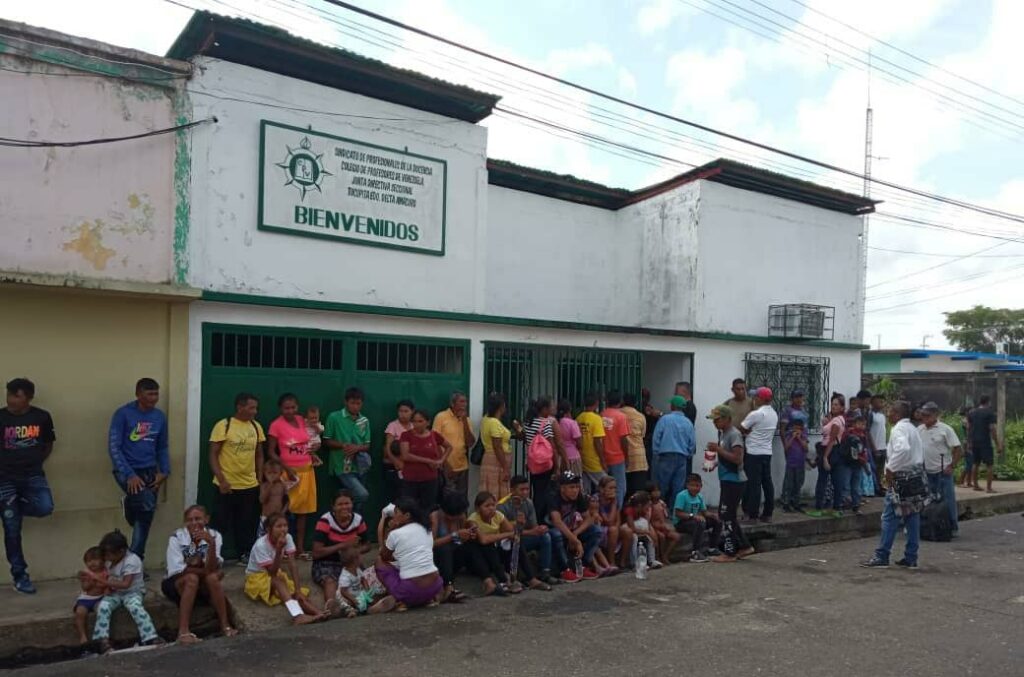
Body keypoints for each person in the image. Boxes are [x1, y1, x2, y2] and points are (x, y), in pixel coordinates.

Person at [0, 378, 55, 594]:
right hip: (4, 478)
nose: (11, 400)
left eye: (17, 396)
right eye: (9, 395)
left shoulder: (42, 417)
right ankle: (20, 576)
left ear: (29, 398)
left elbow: (48, 443)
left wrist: (36, 461)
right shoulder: (1, 417)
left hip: (33, 475)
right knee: (12, 528)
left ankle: (11, 508)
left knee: (45, 507)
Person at [108, 377, 169, 563]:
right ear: (138, 394)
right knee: (147, 507)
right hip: (127, 471)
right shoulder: (123, 414)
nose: (154, 398)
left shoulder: (159, 417)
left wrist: (164, 471)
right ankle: (136, 561)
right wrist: (130, 475)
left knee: (145, 516)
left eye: (156, 394)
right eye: (149, 394)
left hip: (150, 470)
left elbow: (162, 447)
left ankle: (133, 563)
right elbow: (114, 447)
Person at [861, 401, 926, 569]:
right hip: (915, 476)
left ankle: (882, 555)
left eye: (890, 411)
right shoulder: (912, 428)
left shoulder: (899, 429)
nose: (887, 414)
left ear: (897, 414)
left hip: (901, 478)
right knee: (912, 516)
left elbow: (903, 449)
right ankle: (911, 556)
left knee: (889, 517)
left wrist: (890, 468)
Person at [162, 505, 236, 643]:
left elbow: (212, 567)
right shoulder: (177, 537)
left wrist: (211, 544)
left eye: (198, 519)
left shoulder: (214, 535)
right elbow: (179, 570)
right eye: (190, 520)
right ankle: (183, 631)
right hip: (176, 582)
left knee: (212, 578)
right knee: (193, 578)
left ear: (206, 519)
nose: (194, 523)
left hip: (202, 581)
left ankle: (225, 625)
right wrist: (207, 570)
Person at [209, 392, 265, 564]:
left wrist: (259, 479)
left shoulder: (256, 426)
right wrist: (222, 480)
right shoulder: (224, 425)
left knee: (247, 523)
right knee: (220, 522)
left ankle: (245, 554)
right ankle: (214, 556)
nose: (255, 411)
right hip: (226, 485)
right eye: (251, 408)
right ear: (240, 407)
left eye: (256, 408)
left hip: (249, 485)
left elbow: (259, 454)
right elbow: (213, 454)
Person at [244, 512, 323, 624]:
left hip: (274, 574)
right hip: (256, 578)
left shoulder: (288, 537)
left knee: (295, 593)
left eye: (285, 525)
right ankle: (297, 616)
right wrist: (278, 550)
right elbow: (272, 572)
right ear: (269, 529)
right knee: (278, 580)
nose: (283, 529)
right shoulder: (261, 545)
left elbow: (292, 564)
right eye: (279, 526)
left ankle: (318, 613)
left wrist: (298, 590)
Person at [91, 531, 162, 653]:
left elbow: (126, 584)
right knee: (103, 606)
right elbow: (109, 576)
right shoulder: (108, 561)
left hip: (132, 592)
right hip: (115, 593)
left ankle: (150, 636)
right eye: (106, 554)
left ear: (121, 551)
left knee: (135, 607)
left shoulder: (132, 560)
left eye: (109, 554)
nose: (107, 557)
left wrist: (103, 582)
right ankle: (102, 639)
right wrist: (106, 587)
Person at [267, 393, 318, 557]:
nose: (290, 411)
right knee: (283, 512)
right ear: (280, 409)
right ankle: (279, 548)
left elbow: (313, 438)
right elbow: (271, 452)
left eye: (293, 407)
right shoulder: (276, 425)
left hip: (307, 471)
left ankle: (299, 548)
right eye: (286, 408)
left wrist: (314, 448)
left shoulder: (303, 421)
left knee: (303, 513)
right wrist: (286, 468)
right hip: (288, 475)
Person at [376, 497, 444, 610]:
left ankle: (401, 599)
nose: (393, 516)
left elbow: (384, 556)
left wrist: (390, 530)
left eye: (396, 512)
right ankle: (427, 599)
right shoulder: (426, 529)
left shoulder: (395, 534)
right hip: (435, 586)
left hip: (410, 589)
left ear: (407, 515)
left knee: (379, 561)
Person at [706, 405, 754, 563]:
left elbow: (738, 459)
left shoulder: (734, 434)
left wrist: (718, 450)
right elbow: (728, 457)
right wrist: (715, 463)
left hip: (734, 480)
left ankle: (730, 552)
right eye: (714, 420)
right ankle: (744, 546)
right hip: (727, 478)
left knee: (726, 515)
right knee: (729, 515)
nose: (715, 423)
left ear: (727, 419)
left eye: (717, 420)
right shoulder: (723, 434)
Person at [498, 475, 559, 586]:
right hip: (508, 541)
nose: (525, 492)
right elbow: (505, 533)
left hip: (524, 536)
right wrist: (530, 531)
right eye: (522, 490)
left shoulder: (528, 503)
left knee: (546, 535)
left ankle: (545, 572)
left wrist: (540, 529)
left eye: (527, 489)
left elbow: (533, 526)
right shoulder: (502, 506)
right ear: (512, 490)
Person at [311, 491, 368, 605]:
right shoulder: (325, 520)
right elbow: (316, 553)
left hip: (350, 562)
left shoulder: (358, 520)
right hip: (327, 562)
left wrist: (354, 552)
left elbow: (367, 545)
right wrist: (344, 545)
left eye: (347, 503)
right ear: (333, 507)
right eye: (340, 504)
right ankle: (332, 607)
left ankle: (367, 603)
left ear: (352, 504)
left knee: (364, 579)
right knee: (330, 581)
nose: (344, 507)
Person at [547, 472, 602, 582]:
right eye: (571, 487)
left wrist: (575, 533)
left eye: (577, 487)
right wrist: (575, 540)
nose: (575, 490)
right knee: (556, 534)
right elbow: (557, 522)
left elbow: (588, 519)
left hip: (571, 530)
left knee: (596, 531)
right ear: (562, 488)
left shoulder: (578, 496)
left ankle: (583, 565)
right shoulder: (553, 498)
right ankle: (565, 569)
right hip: (553, 530)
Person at [323, 387, 371, 512]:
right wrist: (344, 445)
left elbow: (367, 445)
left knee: (356, 503)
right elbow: (327, 440)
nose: (355, 407)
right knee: (361, 494)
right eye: (352, 403)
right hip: (341, 465)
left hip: (361, 466)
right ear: (346, 402)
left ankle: (352, 521)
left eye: (358, 403)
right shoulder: (334, 417)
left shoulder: (364, 420)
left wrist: (356, 448)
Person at [918, 402, 962, 536]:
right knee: (927, 500)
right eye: (923, 415)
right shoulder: (919, 430)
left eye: (928, 415)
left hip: (942, 471)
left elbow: (957, 448)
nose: (924, 418)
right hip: (926, 471)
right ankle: (930, 525)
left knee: (948, 499)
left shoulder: (945, 429)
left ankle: (952, 526)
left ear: (935, 415)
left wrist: (952, 465)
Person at [467, 491, 521, 595]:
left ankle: (530, 578)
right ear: (478, 509)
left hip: (495, 554)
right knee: (487, 545)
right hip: (478, 559)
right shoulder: (472, 520)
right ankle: (503, 580)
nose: (491, 508)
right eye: (487, 506)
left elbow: (512, 532)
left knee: (516, 543)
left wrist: (508, 533)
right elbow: (483, 540)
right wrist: (505, 535)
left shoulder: (497, 515)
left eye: (493, 505)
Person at [521, 396, 566, 521]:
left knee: (536, 491)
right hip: (545, 463)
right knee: (546, 493)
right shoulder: (545, 423)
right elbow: (552, 447)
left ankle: (534, 517)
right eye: (550, 407)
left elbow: (527, 441)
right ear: (544, 409)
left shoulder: (528, 423)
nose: (552, 410)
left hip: (533, 463)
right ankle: (541, 519)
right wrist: (557, 466)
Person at [739, 387, 778, 523]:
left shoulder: (757, 414)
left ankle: (752, 515)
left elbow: (742, 428)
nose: (754, 399)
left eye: (756, 397)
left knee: (753, 484)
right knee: (767, 483)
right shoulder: (773, 414)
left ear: (761, 399)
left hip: (753, 453)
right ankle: (768, 513)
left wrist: (748, 431)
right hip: (767, 452)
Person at [400, 410, 452, 511]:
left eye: (420, 421)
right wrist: (428, 461)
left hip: (430, 479)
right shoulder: (406, 435)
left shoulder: (434, 435)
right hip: (410, 479)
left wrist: (441, 461)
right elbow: (405, 455)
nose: (416, 424)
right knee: (409, 508)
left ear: (428, 422)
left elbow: (449, 447)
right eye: (414, 421)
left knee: (428, 508)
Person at [651, 395, 696, 507]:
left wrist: (656, 453)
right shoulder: (688, 422)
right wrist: (689, 454)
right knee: (678, 487)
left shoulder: (664, 419)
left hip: (665, 456)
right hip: (682, 458)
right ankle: (675, 510)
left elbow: (656, 437)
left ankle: (660, 509)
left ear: (672, 406)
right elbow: (692, 442)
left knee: (662, 485)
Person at [432, 489, 473, 603]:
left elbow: (461, 538)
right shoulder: (435, 516)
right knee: (445, 549)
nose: (456, 518)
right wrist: (453, 535)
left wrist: (468, 534)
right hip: (438, 557)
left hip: (454, 556)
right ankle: (448, 587)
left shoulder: (461, 516)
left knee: (472, 546)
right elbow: (430, 544)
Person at [432, 392, 476, 497]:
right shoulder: (441, 417)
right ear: (452, 403)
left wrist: (464, 421)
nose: (464, 404)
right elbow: (435, 441)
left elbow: (470, 443)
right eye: (461, 401)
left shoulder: (467, 420)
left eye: (465, 402)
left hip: (462, 466)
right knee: (447, 497)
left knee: (461, 498)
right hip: (445, 465)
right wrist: (445, 464)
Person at [809, 394, 846, 516]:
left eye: (836, 405)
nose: (833, 406)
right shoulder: (838, 420)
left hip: (829, 450)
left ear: (842, 407)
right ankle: (836, 508)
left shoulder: (836, 421)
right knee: (836, 480)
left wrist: (825, 457)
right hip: (834, 450)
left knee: (823, 480)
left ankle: (819, 508)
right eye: (832, 404)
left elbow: (832, 440)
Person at [331, 546, 392, 617]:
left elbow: (363, 579)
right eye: (360, 556)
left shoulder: (357, 569)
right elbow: (343, 591)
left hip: (358, 594)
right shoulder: (345, 576)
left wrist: (367, 590)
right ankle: (350, 612)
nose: (362, 557)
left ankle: (372, 607)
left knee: (369, 598)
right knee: (348, 606)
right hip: (347, 598)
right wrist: (353, 600)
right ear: (355, 561)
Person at [673, 474, 721, 563]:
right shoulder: (682, 495)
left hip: (694, 520)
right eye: (692, 485)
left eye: (697, 486)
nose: (695, 488)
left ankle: (712, 548)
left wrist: (713, 515)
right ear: (687, 485)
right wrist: (693, 516)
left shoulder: (700, 496)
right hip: (681, 522)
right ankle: (695, 552)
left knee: (717, 521)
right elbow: (678, 513)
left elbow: (704, 512)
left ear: (701, 486)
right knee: (700, 523)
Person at [832, 412, 867, 517]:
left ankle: (856, 506)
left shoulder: (863, 436)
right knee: (845, 486)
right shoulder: (848, 434)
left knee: (856, 487)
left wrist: (864, 460)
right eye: (859, 423)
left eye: (863, 424)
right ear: (854, 424)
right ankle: (842, 506)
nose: (861, 426)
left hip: (858, 464)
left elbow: (864, 450)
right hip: (847, 463)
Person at [600, 391, 631, 508]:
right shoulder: (621, 417)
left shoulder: (601, 415)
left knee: (605, 488)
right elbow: (624, 439)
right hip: (617, 457)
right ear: (620, 402)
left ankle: (605, 511)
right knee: (619, 488)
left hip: (602, 457)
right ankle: (616, 513)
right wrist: (627, 457)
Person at [479, 393, 513, 498]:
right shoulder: (494, 423)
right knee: (495, 491)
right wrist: (505, 467)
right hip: (496, 461)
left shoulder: (486, 419)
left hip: (491, 459)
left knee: (491, 489)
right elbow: (497, 446)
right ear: (501, 406)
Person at [966, 395, 1002, 493]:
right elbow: (992, 429)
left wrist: (969, 442)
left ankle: (975, 485)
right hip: (985, 441)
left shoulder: (972, 413)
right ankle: (989, 488)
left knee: (975, 463)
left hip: (974, 441)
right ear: (988, 402)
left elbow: (968, 428)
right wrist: (998, 444)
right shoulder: (990, 413)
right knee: (989, 464)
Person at [74, 547, 108, 644]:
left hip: (100, 598)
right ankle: (82, 636)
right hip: (86, 599)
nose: (92, 563)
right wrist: (90, 582)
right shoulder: (86, 573)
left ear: (103, 560)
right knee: (80, 612)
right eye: (89, 561)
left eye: (95, 560)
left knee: (101, 610)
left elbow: (107, 586)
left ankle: (102, 635)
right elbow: (85, 588)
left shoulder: (106, 572)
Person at [383, 400, 414, 503]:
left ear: (412, 412)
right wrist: (396, 461)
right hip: (395, 466)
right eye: (401, 411)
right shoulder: (393, 426)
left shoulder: (414, 426)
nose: (403, 414)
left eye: (406, 411)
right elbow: (388, 448)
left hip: (410, 466)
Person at [576, 393, 608, 495]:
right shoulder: (596, 419)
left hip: (582, 458)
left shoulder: (579, 418)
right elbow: (597, 441)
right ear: (596, 403)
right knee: (607, 486)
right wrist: (603, 460)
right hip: (594, 459)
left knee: (586, 490)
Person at [622, 491, 663, 568]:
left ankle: (652, 560)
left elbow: (647, 524)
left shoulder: (644, 511)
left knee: (650, 538)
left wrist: (652, 534)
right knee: (634, 538)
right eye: (647, 505)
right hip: (628, 529)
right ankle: (635, 562)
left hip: (641, 529)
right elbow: (632, 528)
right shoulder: (629, 511)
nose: (648, 508)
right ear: (640, 505)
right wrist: (647, 532)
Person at [594, 475, 627, 570]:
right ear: (601, 489)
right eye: (610, 488)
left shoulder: (615, 499)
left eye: (615, 488)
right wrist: (613, 504)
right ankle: (611, 561)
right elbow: (608, 521)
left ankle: (622, 562)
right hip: (599, 528)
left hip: (611, 528)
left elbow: (618, 520)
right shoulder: (596, 499)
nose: (613, 491)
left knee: (627, 531)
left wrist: (617, 528)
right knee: (613, 530)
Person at [645, 482, 681, 563]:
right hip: (654, 527)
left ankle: (665, 555)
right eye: (654, 491)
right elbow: (649, 520)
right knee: (661, 537)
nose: (657, 493)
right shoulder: (649, 505)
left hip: (663, 526)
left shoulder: (661, 503)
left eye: (658, 491)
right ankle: (657, 556)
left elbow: (665, 516)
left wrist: (667, 525)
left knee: (676, 536)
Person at [621, 393, 649, 496]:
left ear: (622, 402)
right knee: (638, 491)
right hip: (639, 456)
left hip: (622, 455)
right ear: (636, 403)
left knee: (624, 489)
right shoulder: (640, 416)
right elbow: (643, 435)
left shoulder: (618, 414)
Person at [781, 419, 809, 512]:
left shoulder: (804, 436)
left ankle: (796, 502)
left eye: (798, 428)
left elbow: (806, 448)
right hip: (791, 463)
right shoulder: (789, 435)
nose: (796, 430)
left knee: (798, 484)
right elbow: (786, 448)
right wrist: (793, 437)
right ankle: (786, 503)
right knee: (789, 484)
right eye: (795, 428)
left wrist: (799, 438)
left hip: (800, 464)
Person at [258, 458, 290, 537]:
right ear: (264, 473)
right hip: (265, 517)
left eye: (275, 473)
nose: (272, 475)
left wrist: (283, 512)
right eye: (269, 473)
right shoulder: (264, 486)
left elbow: (287, 501)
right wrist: (270, 485)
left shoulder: (282, 486)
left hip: (278, 517)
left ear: (280, 473)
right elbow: (262, 500)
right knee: (263, 537)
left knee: (278, 537)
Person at [556, 399, 583, 477]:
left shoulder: (555, 422)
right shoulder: (572, 423)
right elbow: (580, 443)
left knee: (563, 480)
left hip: (560, 458)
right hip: (573, 457)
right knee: (574, 479)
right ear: (570, 409)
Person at [869, 395, 888, 497]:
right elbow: (867, 431)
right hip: (875, 447)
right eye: (879, 401)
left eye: (882, 401)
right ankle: (875, 489)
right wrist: (873, 447)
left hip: (883, 446)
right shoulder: (871, 415)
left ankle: (879, 486)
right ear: (872, 403)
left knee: (880, 470)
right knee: (874, 469)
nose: (881, 403)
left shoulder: (882, 415)